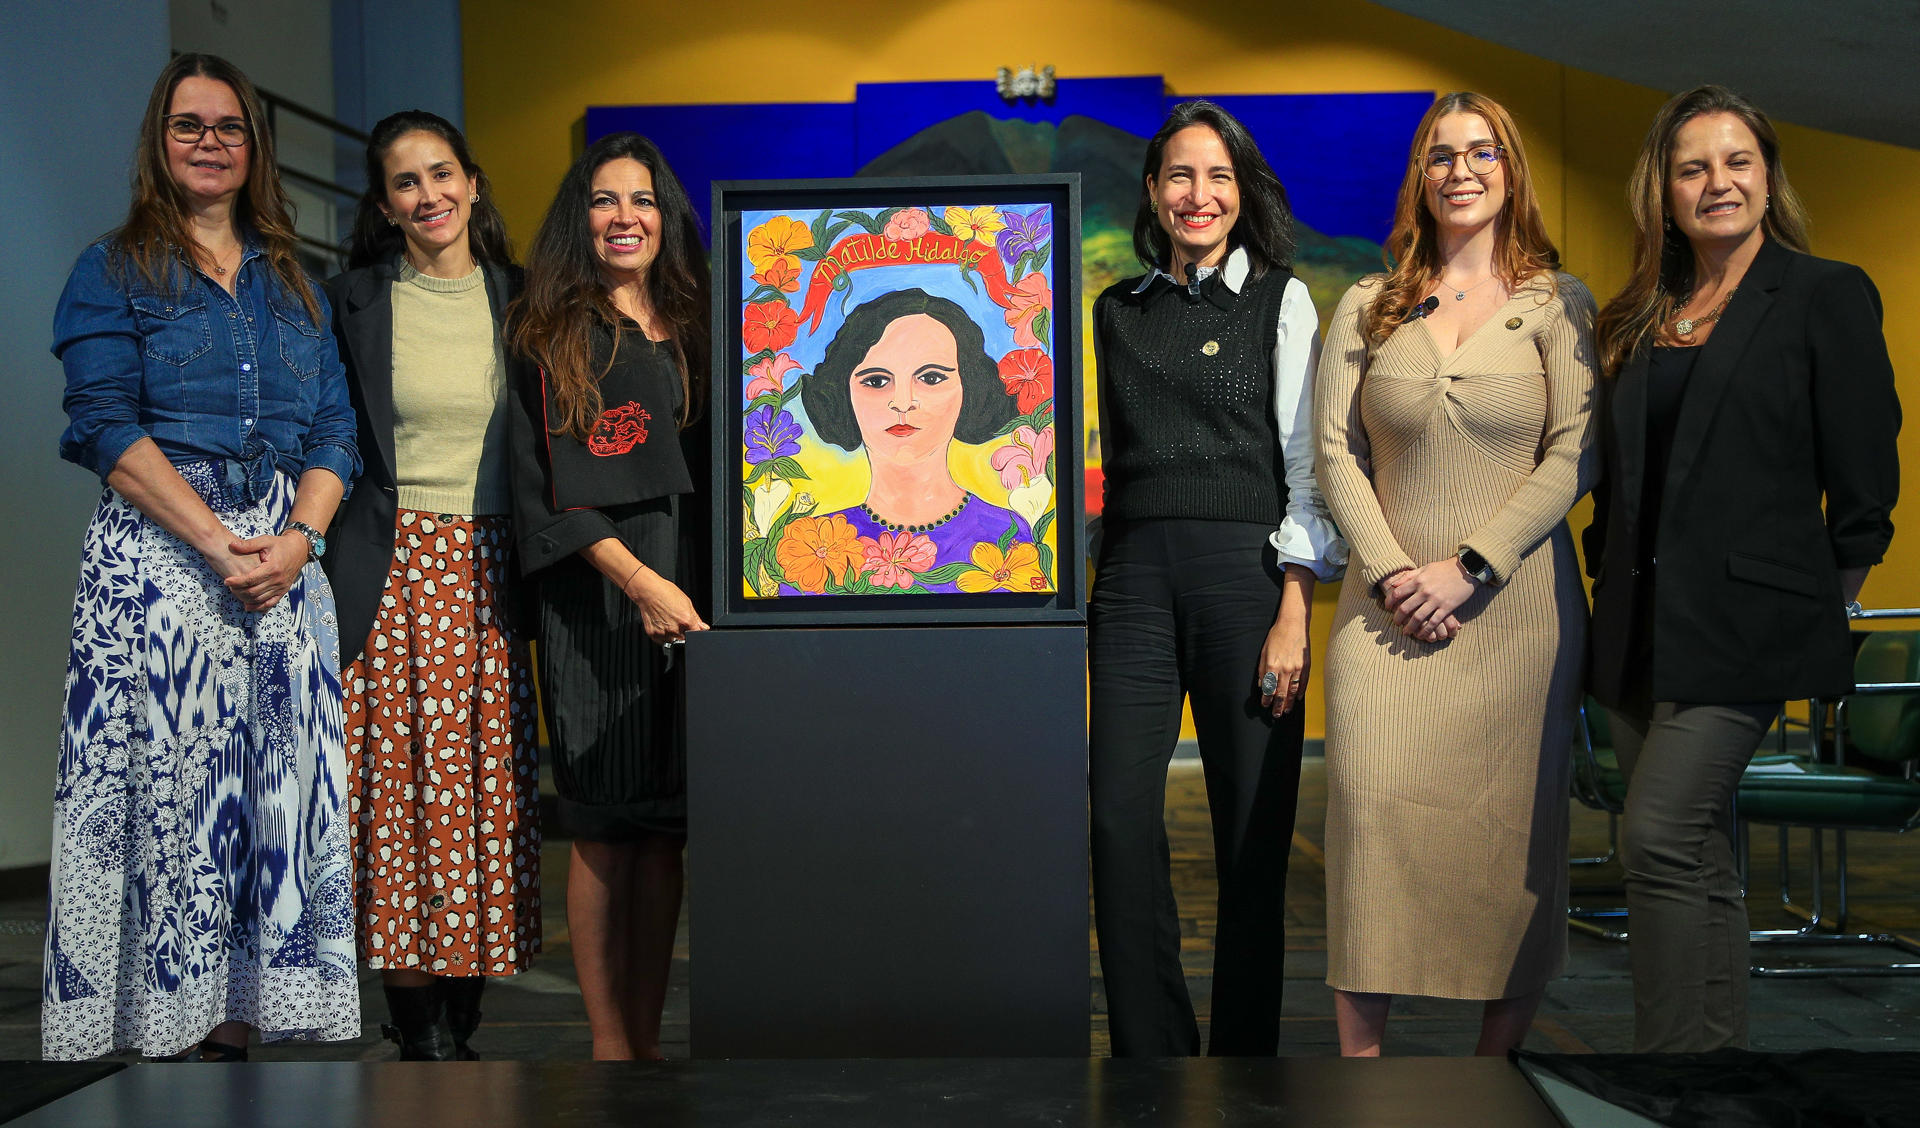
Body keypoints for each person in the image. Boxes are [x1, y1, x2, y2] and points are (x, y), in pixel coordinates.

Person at [44, 52, 362, 1061]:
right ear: (159, 140)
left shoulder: (295, 282)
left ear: (253, 147)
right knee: (173, 802)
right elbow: (103, 425)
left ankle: (251, 1018)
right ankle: (163, 1027)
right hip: (165, 568)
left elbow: (337, 435)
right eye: (190, 125)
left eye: (229, 127)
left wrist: (299, 541)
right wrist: (222, 542)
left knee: (275, 802)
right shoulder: (111, 269)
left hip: (282, 572)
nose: (211, 141)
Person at [1587, 85, 1900, 1052]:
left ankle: (1671, 1077)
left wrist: (1817, 604)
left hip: (1750, 628)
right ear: (1665, 191)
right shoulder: (1642, 313)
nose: (1716, 183)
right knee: (1691, 855)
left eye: (1737, 162)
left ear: (1768, 177)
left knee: (1658, 838)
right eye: (1693, 168)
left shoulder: (1823, 292)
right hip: (1642, 626)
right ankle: (1711, 1076)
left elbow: (1864, 474)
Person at [1314, 91, 1597, 1057]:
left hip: (1514, 624)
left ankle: (1495, 1077)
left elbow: (1573, 456)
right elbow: (1334, 454)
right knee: (1368, 836)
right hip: (1383, 622)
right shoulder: (1365, 303)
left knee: (1505, 844)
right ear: (1419, 178)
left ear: (1511, 170)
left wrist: (1473, 566)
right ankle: (1361, 1073)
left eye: (1483, 152)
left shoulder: (1560, 304)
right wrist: (1398, 574)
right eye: (1442, 155)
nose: (1462, 170)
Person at [1089, 100, 1344, 1057]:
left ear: (1243, 194)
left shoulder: (1283, 300)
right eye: (1181, 176)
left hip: (1248, 581)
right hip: (1133, 584)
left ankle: (1245, 1061)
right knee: (1116, 820)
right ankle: (1150, 1053)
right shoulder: (1117, 312)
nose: (1200, 195)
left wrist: (1294, 607)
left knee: (1251, 837)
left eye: (1219, 177)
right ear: (1154, 191)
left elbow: (1306, 464)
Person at [324, 110, 540, 1060]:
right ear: (385, 205)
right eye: (407, 183)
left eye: (442, 173)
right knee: (394, 805)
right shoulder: (354, 301)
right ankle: (413, 1027)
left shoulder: (527, 301)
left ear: (474, 182)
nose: (429, 195)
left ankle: (466, 1017)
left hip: (495, 573)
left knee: (486, 802)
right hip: (392, 572)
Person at [504, 131, 709, 1060]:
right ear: (577, 219)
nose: (625, 217)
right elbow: (543, 485)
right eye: (604, 200)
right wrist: (638, 580)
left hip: (694, 595)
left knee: (667, 829)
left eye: (643, 201)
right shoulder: (550, 332)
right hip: (598, 598)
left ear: (666, 219)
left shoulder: (704, 325)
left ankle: (650, 1036)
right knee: (600, 828)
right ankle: (607, 1047)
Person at [796, 287, 1029, 592]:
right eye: (877, 381)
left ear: (969, 388)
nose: (902, 403)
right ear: (843, 394)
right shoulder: (808, 550)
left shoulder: (1007, 535)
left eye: (931, 378)